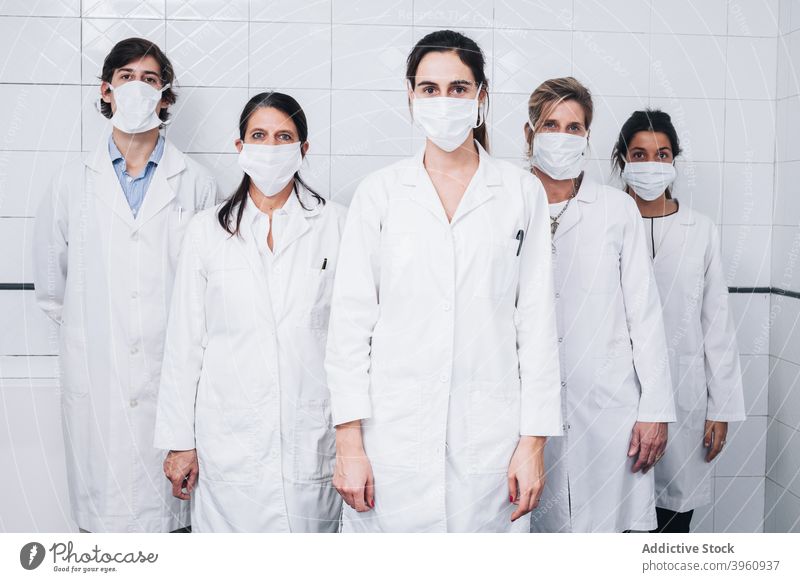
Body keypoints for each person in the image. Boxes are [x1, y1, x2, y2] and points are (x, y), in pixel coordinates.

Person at [325, 29, 562, 533]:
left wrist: (533, 442)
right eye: (429, 88)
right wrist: (348, 444)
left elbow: (536, 324)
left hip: (491, 446)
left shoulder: (521, 193)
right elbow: (349, 328)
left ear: (481, 96)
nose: (443, 100)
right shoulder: (380, 194)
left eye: (458, 88)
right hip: (391, 443)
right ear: (410, 97)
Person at [32, 37, 218, 533]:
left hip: (173, 387)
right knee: (102, 531)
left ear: (165, 97)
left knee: (173, 529)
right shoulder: (70, 183)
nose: (138, 87)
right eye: (127, 77)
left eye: (151, 79)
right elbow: (53, 290)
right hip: (100, 383)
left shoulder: (197, 184)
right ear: (106, 90)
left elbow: (209, 292)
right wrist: (101, 326)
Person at [153, 92, 345, 532]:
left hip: (311, 437)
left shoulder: (338, 227)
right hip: (229, 443)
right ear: (239, 148)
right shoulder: (206, 232)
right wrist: (180, 443)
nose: (271, 147)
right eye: (258, 136)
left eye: (284, 137)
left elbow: (354, 343)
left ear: (304, 149)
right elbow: (185, 345)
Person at [524, 78, 676, 533]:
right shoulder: (506, 200)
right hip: (526, 406)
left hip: (609, 403)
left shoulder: (616, 210)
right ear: (529, 133)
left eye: (575, 127)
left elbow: (644, 316)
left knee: (603, 531)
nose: (563, 136)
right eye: (551, 124)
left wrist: (655, 410)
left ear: (588, 136)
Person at [612, 109, 746, 533]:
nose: (651, 164)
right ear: (622, 160)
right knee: (616, 517)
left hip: (683, 399)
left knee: (672, 523)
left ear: (674, 161)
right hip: (615, 398)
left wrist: (720, 408)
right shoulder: (606, 221)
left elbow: (717, 325)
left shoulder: (700, 229)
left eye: (662, 153)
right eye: (639, 153)